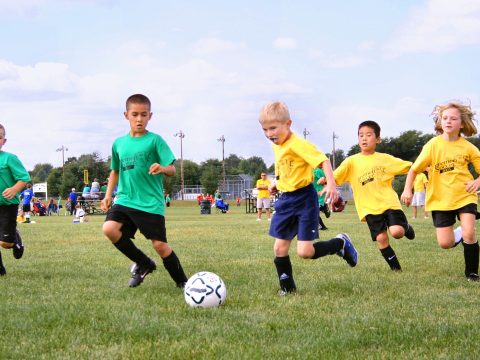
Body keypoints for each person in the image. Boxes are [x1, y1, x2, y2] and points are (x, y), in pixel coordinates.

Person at [258, 101, 358, 295]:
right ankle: (288, 289)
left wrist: (331, 184)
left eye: (273, 128)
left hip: (304, 200)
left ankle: (340, 243)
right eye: (265, 129)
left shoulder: (298, 144)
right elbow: (287, 169)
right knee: (279, 248)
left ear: (288, 124)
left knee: (305, 252)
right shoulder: (277, 145)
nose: (269, 134)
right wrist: (276, 183)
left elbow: (323, 161)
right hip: (286, 200)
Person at [101, 93, 188, 288]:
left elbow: (172, 169)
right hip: (125, 199)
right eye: (135, 114)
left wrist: (162, 168)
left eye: (144, 114)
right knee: (109, 229)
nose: (139, 119)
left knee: (159, 245)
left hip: (150, 202)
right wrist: (108, 195)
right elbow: (115, 171)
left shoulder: (155, 140)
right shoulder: (118, 143)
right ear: (126, 115)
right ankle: (144, 263)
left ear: (150, 115)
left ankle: (183, 283)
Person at [401, 101, 480, 281]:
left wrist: (477, 181)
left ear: (462, 123)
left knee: (470, 232)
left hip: (464, 195)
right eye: (445, 118)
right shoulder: (432, 145)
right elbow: (414, 169)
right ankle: (459, 233)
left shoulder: (468, 147)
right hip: (440, 199)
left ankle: (472, 273)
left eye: (453, 118)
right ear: (440, 121)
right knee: (446, 243)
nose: (448, 121)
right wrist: (407, 190)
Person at [334, 120, 415, 272]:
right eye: (361, 135)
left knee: (397, 232)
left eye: (369, 135)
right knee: (381, 238)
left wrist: (426, 166)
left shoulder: (385, 159)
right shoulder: (351, 162)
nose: (364, 138)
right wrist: (326, 179)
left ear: (378, 139)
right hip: (369, 207)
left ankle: (406, 227)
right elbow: (336, 176)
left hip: (389, 202)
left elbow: (411, 167)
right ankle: (396, 269)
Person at [0, 124, 30, 276]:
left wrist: (14, 189)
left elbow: (24, 178)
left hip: (7, 205)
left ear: (4, 141)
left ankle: (15, 237)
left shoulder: (9, 158)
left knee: (5, 243)